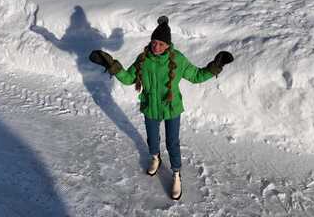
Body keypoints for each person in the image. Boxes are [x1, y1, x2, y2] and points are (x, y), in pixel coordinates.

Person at [89, 16, 233, 200]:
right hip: (150, 107)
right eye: (154, 42)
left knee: (172, 142)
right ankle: (156, 158)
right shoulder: (143, 60)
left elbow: (196, 75)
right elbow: (128, 78)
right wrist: (113, 66)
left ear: (168, 45)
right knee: (152, 138)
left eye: (161, 44)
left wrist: (215, 66)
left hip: (172, 108)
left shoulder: (177, 60)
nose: (156, 47)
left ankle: (176, 173)